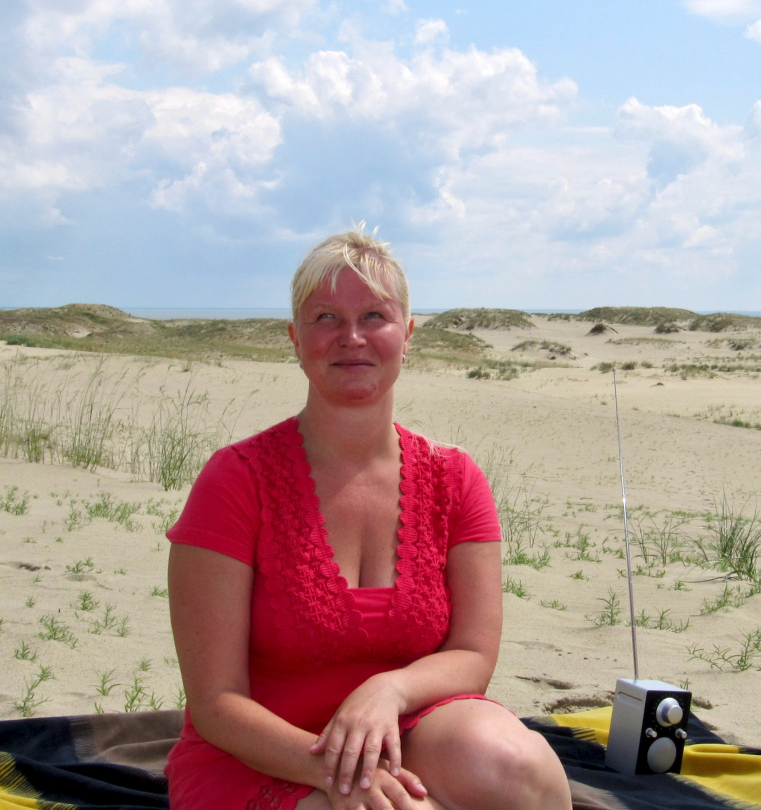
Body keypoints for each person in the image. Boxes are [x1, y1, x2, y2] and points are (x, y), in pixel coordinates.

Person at [165, 228, 572, 810]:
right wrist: (340, 772)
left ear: (407, 335)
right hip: (262, 751)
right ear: (295, 339)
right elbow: (216, 702)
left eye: (374, 316)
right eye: (325, 317)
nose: (351, 338)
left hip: (408, 730)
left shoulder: (455, 479)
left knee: (520, 766)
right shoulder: (236, 480)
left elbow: (474, 657)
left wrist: (388, 689)